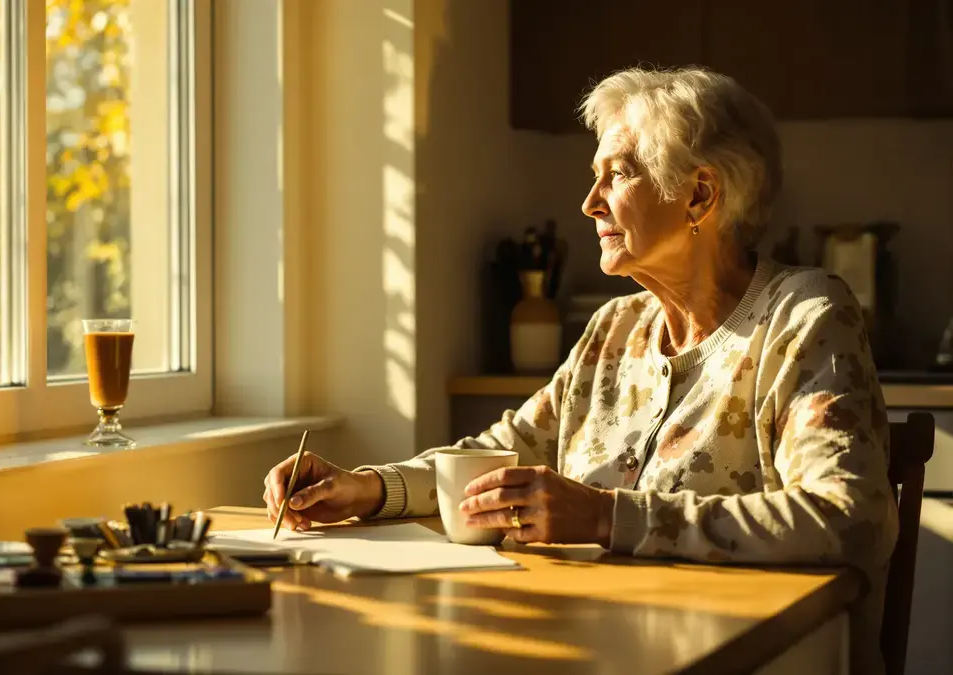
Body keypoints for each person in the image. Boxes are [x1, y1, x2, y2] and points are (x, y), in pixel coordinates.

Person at [261, 67, 897, 673]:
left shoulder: (804, 314)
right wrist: (364, 489)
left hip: (755, 658)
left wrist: (603, 516)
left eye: (616, 176)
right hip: (594, 643)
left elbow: (842, 516)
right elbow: (500, 455)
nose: (590, 202)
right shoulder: (615, 328)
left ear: (699, 194)